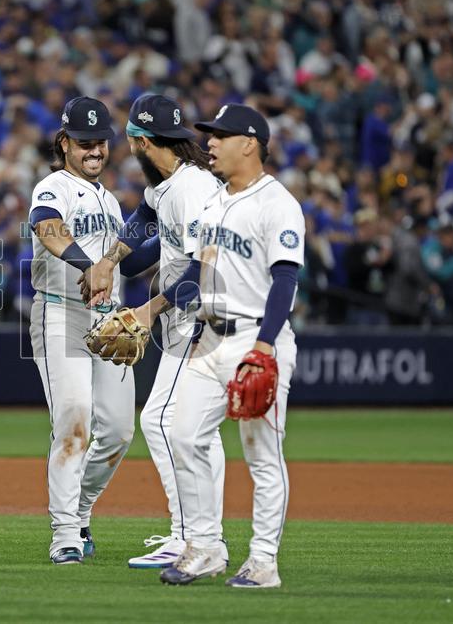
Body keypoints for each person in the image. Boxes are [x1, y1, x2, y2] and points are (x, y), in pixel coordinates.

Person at [161, 104, 304, 588]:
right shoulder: (215, 201)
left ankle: (264, 562)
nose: (210, 143)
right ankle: (204, 548)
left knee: (262, 456)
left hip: (255, 337)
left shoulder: (277, 203)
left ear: (250, 143)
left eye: (220, 135)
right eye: (209, 135)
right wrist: (147, 311)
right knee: (182, 435)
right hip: (209, 339)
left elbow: (285, 280)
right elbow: (192, 274)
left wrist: (264, 347)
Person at [81, 93, 223, 569]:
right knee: (197, 431)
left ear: (140, 140)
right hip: (193, 320)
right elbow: (143, 218)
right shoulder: (170, 185)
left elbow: (204, 273)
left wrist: (148, 310)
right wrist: (107, 261)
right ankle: (205, 536)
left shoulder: (189, 192)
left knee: (160, 420)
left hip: (203, 319)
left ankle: (189, 538)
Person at [28, 96, 134, 564]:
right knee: (74, 419)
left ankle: (82, 510)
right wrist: (89, 265)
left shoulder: (111, 201)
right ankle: (65, 533)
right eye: (85, 141)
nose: (94, 150)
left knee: (118, 430)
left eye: (101, 141)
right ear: (65, 143)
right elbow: (47, 228)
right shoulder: (55, 185)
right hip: (60, 313)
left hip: (109, 319)